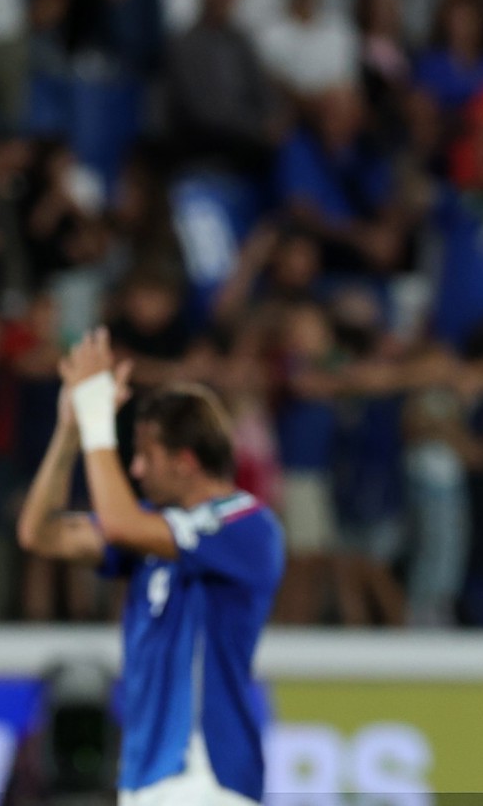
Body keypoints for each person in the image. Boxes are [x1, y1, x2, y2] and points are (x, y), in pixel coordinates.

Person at [16, 328, 285, 806]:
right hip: (147, 779)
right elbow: (41, 532)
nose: (136, 469)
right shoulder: (153, 528)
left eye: (145, 455)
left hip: (205, 775)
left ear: (185, 461)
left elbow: (119, 524)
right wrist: (70, 433)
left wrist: (98, 419)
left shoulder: (245, 527)